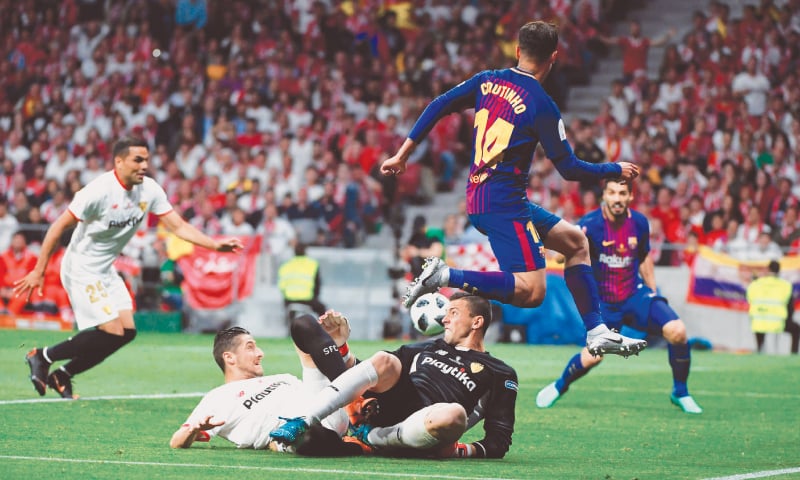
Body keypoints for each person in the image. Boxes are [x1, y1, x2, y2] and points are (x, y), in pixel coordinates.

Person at [379, 21, 646, 357]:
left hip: (484, 197)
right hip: (504, 204)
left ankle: (597, 331)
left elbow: (439, 104)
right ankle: (445, 275)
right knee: (532, 293)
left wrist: (402, 154)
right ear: (554, 57)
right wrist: (614, 168)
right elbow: (570, 169)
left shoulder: (487, 80)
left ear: (518, 51)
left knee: (576, 242)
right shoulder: (541, 104)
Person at [17, 136, 243, 399]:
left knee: (127, 332)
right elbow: (57, 227)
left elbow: (179, 226)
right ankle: (43, 356)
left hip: (106, 268)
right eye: (138, 160)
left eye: (146, 159)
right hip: (82, 267)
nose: (144, 165)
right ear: (119, 161)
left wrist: (214, 245)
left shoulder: (150, 190)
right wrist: (39, 270)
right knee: (112, 330)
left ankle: (63, 374)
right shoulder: (97, 191)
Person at [269, 292, 517, 459]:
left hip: (429, 423)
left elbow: (499, 440)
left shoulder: (500, 372)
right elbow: (372, 372)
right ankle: (305, 419)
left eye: (453, 313)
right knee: (386, 359)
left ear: (476, 322)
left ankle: (371, 439)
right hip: (395, 405)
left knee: (454, 414)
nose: (444, 319)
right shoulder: (429, 347)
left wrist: (461, 450)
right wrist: (341, 346)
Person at [535, 180, 703, 414]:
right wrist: (564, 247)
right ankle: (559, 385)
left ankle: (681, 392)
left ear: (630, 196)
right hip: (603, 304)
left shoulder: (640, 223)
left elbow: (643, 257)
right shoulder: (590, 224)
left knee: (678, 331)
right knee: (593, 357)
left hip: (635, 296)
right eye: (612, 192)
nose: (617, 198)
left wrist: (652, 291)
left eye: (622, 193)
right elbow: (564, 255)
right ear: (604, 195)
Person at [170, 312, 365, 456]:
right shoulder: (218, 397)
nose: (260, 353)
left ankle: (355, 401)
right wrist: (193, 429)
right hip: (299, 435)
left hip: (326, 407)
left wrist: (334, 345)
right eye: (250, 347)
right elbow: (176, 441)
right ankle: (359, 442)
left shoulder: (282, 378)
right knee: (310, 437)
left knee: (303, 322)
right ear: (229, 358)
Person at [746, 260, 799, 355]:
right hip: (778, 322)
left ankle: (759, 350)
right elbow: (790, 307)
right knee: (796, 329)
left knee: (759, 326)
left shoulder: (755, 284)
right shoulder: (785, 285)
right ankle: (793, 355)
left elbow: (750, 300)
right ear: (779, 270)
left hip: (759, 322)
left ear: (768, 269)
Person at [277, 242, 326, 317]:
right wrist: (315, 297)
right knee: (322, 310)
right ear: (305, 252)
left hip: (289, 300)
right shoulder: (312, 265)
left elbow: (281, 286)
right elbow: (317, 285)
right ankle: (321, 324)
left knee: (288, 314)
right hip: (307, 300)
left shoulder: (285, 266)